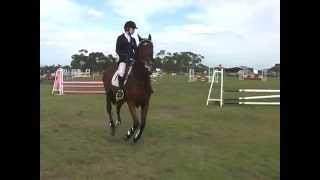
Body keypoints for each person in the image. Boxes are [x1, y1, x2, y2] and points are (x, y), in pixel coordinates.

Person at [115, 21, 138, 101]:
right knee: (121, 72)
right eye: (133, 28)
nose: (134, 30)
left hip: (132, 60)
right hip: (123, 60)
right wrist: (125, 57)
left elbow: (136, 50)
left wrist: (135, 58)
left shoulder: (133, 40)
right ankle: (120, 90)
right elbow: (117, 50)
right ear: (128, 28)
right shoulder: (120, 38)